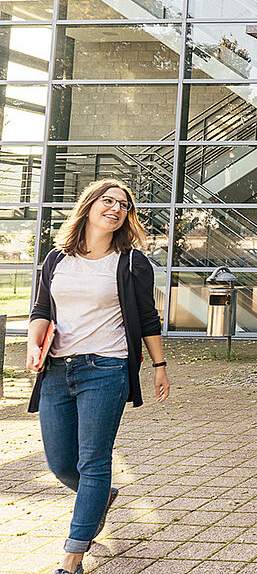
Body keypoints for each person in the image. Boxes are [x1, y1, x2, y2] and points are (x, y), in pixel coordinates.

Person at [26, 179, 169, 574]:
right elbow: (41, 307)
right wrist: (32, 343)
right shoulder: (56, 258)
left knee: (94, 461)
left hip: (106, 369)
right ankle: (100, 498)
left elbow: (146, 318)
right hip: (56, 369)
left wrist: (159, 367)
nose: (116, 208)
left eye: (123, 205)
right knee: (60, 463)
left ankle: (72, 557)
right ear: (89, 206)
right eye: (108, 201)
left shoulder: (131, 262)